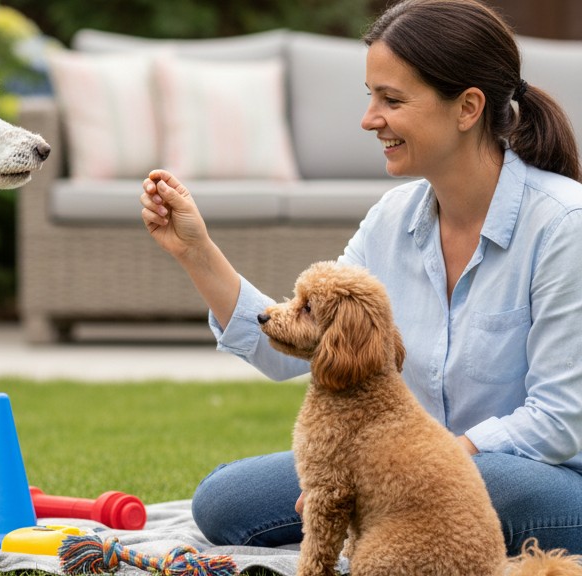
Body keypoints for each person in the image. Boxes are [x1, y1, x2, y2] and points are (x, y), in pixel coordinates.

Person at [140, 0, 582, 556]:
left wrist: (415, 468)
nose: (370, 119)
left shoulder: (565, 224)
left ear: (468, 107)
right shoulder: (392, 220)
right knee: (226, 500)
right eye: (370, 96)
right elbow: (292, 346)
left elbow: (560, 420)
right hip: (398, 463)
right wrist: (196, 252)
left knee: (471, 484)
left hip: (545, 478)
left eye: (391, 100)